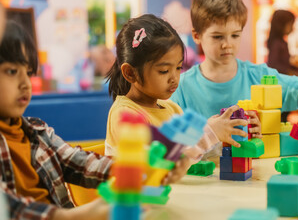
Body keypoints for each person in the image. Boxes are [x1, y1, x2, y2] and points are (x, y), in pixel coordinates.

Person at [171, 0, 298, 142]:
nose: (227, 44)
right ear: (197, 35)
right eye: (217, 37)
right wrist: (207, 131)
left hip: (254, 166)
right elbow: (170, 141)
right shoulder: (181, 87)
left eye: (235, 35)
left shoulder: (258, 76)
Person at [105, 14, 251, 171]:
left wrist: (230, 135)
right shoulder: (125, 115)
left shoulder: (172, 109)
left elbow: (192, 155)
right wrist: (209, 133)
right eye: (164, 71)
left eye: (178, 68)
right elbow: (159, 163)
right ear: (130, 73)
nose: (174, 78)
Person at [0, 20, 112, 219]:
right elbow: (9, 207)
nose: (26, 83)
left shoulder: (37, 131)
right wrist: (69, 217)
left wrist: (133, 168)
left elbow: (80, 162)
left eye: (28, 72)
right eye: (12, 71)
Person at [266, 9, 297, 75]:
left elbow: (284, 65)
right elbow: (273, 66)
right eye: (291, 24)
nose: (292, 28)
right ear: (281, 25)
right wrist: (290, 72)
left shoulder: (282, 43)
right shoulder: (277, 43)